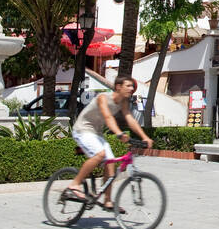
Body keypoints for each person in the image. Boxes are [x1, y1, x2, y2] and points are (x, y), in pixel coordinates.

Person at [65, 76, 153, 210]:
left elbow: (130, 119)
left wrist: (145, 137)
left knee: (110, 162)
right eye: (128, 86)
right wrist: (119, 133)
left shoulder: (123, 102)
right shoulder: (103, 98)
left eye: (132, 86)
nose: (131, 89)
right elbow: (108, 117)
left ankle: (107, 201)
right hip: (82, 130)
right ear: (118, 87)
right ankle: (74, 185)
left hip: (96, 133)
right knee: (100, 154)